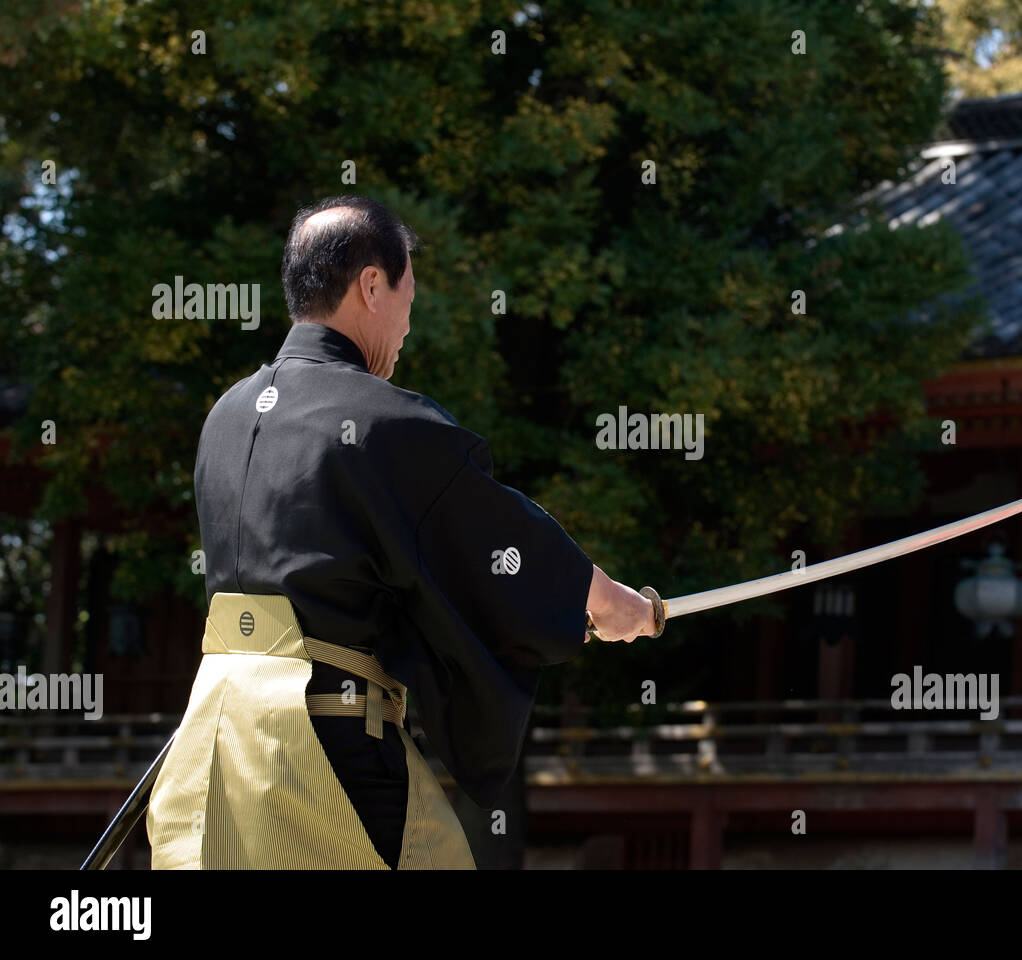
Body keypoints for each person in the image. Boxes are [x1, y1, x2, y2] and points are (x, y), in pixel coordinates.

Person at [147, 195, 656, 869]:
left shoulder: (227, 415)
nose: (410, 322)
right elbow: (496, 536)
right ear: (370, 286)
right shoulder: (384, 421)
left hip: (209, 747)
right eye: (409, 294)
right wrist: (610, 604)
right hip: (321, 749)